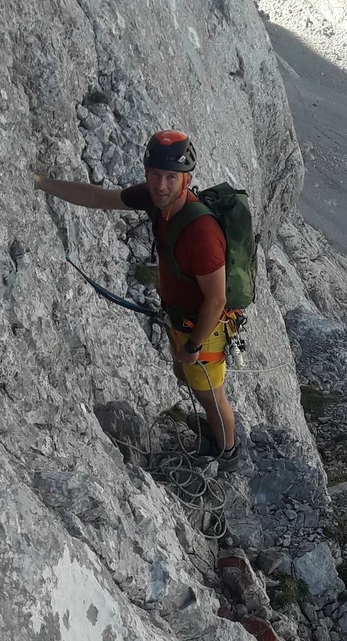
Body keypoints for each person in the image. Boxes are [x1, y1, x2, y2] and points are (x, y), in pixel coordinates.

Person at [33, 130, 239, 464]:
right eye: (155, 175)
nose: (161, 185)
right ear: (146, 172)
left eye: (171, 177)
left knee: (210, 392)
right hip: (181, 316)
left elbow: (215, 300)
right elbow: (100, 198)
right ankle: (215, 429)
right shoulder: (155, 200)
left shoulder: (202, 233)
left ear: (186, 179)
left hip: (205, 325)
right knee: (184, 375)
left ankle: (228, 453)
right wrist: (42, 182)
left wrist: (193, 346)